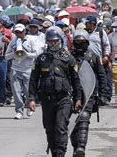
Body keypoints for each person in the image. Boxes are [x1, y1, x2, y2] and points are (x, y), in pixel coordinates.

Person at [28, 27, 82, 157]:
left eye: (55, 41)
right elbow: (33, 79)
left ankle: (60, 154)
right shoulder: (40, 59)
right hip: (47, 100)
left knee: (60, 127)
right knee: (50, 129)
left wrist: (78, 99)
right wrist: (31, 98)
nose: (53, 44)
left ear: (61, 41)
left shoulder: (69, 59)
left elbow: (76, 80)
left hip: (64, 99)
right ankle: (55, 153)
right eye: (50, 41)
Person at [70, 30, 109, 156]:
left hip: (89, 94)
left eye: (82, 42)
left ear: (87, 43)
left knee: (84, 118)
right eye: (77, 42)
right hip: (71, 95)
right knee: (72, 123)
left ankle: (81, 147)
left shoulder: (93, 57)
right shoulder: (69, 57)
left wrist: (103, 95)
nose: (80, 44)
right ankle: (76, 147)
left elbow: (102, 76)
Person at [5, 23, 38, 119]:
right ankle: (19, 110)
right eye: (17, 32)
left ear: (24, 31)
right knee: (16, 92)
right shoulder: (13, 42)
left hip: (28, 69)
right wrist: (14, 53)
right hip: (15, 69)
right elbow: (6, 57)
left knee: (28, 91)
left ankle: (29, 106)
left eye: (20, 32)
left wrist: (26, 53)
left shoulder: (31, 41)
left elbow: (36, 54)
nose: (19, 34)